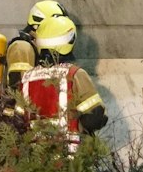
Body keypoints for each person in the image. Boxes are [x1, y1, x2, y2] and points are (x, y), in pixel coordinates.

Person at [17, 13, 108, 147]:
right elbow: (94, 117)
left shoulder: (26, 79)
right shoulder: (74, 74)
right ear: (70, 41)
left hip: (35, 161)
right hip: (71, 161)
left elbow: (18, 122)